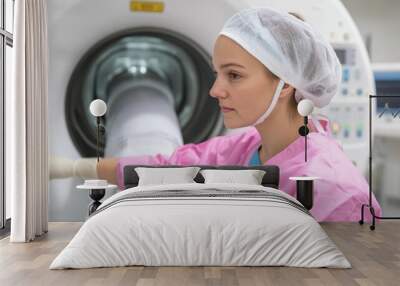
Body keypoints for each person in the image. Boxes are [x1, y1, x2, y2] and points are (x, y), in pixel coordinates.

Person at [56, 7, 381, 222]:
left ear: (286, 85)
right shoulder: (249, 147)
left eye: (234, 75)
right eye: (216, 74)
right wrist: (74, 167)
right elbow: (171, 166)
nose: (215, 90)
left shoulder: (335, 195)